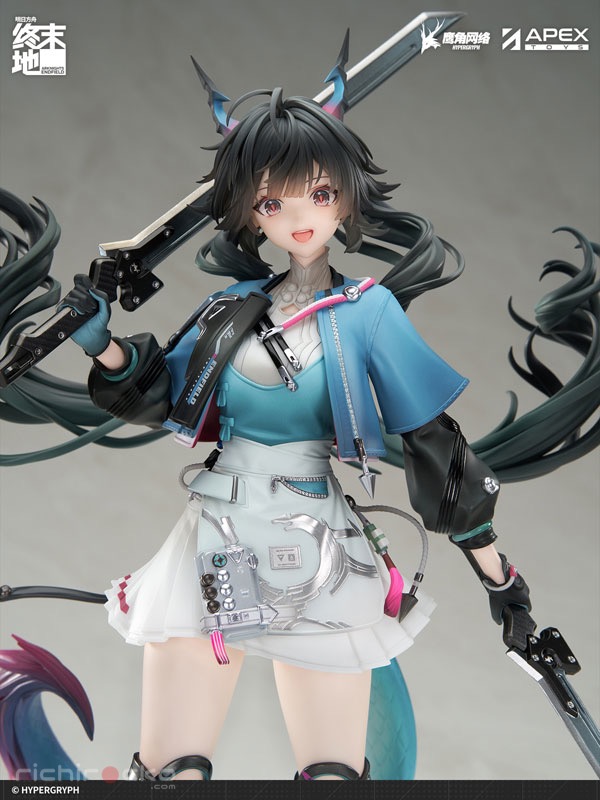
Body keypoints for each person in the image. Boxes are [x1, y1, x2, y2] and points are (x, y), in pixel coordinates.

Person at [57, 63, 535, 780]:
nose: (300, 215)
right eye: (273, 201)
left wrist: (502, 584)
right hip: (216, 536)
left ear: (345, 198)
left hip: (319, 548)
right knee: (170, 772)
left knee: (333, 777)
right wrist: (102, 344)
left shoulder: (368, 311)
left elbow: (437, 449)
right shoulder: (232, 308)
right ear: (253, 213)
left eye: (320, 193)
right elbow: (160, 394)